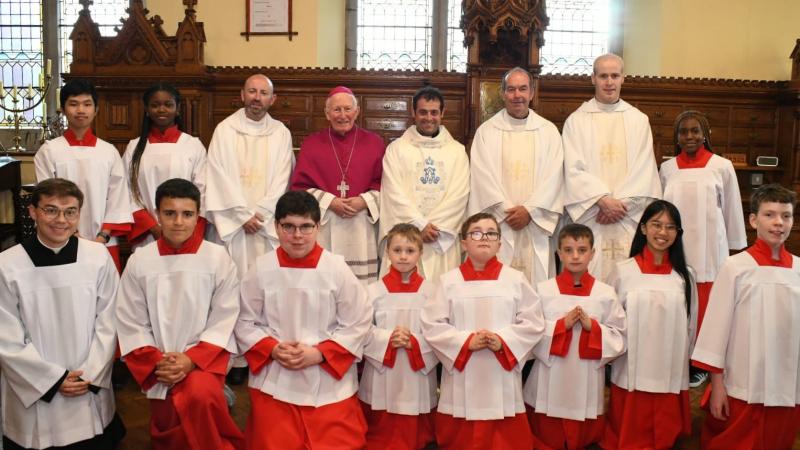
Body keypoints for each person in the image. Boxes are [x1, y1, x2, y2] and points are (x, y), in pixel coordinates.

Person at [235, 190, 372, 449]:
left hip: (328, 378)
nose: (297, 236)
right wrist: (273, 349)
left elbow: (358, 321)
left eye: (306, 227)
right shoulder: (262, 268)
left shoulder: (336, 268)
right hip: (275, 377)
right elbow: (244, 321)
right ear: (276, 227)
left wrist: (320, 354)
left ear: (318, 227)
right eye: (288, 226)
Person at [116, 179, 245, 450]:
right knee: (169, 424)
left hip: (202, 361)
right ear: (157, 214)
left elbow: (225, 316)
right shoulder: (141, 260)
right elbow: (131, 318)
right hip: (158, 364)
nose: (178, 222)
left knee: (200, 398)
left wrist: (191, 360)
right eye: (169, 213)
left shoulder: (217, 258)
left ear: (198, 215)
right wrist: (156, 360)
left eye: (187, 214)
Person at [0, 178, 124, 450]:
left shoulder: (97, 257)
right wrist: (52, 379)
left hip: (87, 383)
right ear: (33, 211)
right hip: (35, 392)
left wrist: (88, 374)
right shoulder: (7, 265)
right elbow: (5, 336)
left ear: (80, 213)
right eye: (51, 210)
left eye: (70, 211)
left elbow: (110, 319)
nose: (61, 220)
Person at [421, 212, 545, 450]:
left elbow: (534, 322)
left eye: (491, 233)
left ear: (499, 243)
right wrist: (466, 341)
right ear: (464, 242)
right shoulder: (448, 281)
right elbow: (432, 324)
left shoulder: (515, 279)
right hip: (463, 372)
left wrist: (503, 341)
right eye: (476, 232)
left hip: (501, 371)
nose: (484, 237)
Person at [691, 184, 800, 450]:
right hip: (743, 381)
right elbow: (716, 331)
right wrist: (717, 386)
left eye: (786, 216)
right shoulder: (736, 267)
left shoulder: (799, 268)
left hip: (787, 382)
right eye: (769, 215)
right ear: (753, 220)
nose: (778, 223)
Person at [659, 110, 746, 388]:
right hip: (676, 248)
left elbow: (732, 208)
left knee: (708, 306)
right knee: (680, 303)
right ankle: (679, 357)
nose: (689, 136)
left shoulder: (721, 166)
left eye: (695, 131)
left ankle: (701, 362)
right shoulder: (667, 168)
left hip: (710, 248)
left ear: (705, 134)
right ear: (677, 137)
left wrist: (736, 249)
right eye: (683, 132)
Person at [602, 200, 697, 450]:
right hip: (632, 363)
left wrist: (685, 358)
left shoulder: (684, 276)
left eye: (670, 227)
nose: (663, 233)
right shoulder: (623, 272)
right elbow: (610, 320)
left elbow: (692, 323)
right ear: (643, 228)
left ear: (678, 233)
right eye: (656, 224)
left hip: (670, 363)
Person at [524, 224, 626, 450]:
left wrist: (594, 328)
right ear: (559, 253)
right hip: (549, 375)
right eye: (568, 250)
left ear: (593, 253)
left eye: (582, 250)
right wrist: (561, 326)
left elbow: (620, 336)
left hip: (586, 375)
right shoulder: (543, 290)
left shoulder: (605, 293)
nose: (575, 256)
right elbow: (529, 331)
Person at [562, 54, 661, 281]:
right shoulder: (576, 121)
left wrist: (620, 205)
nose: (609, 82)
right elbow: (572, 169)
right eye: (603, 76)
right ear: (593, 79)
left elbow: (644, 168)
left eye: (614, 76)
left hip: (627, 218)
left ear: (623, 78)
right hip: (592, 216)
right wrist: (602, 201)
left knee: (627, 284)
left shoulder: (638, 120)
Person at [468, 67, 564, 285]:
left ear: (532, 92)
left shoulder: (548, 132)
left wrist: (529, 211)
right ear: (502, 94)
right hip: (500, 225)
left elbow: (554, 177)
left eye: (523, 89)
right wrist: (508, 212)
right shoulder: (487, 132)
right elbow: (482, 177)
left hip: (535, 225)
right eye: (511, 89)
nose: (517, 95)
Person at [34, 79, 133, 272]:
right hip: (61, 236)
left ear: (96, 110)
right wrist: (72, 233)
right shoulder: (49, 151)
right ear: (63, 109)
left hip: (103, 241)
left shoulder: (108, 151)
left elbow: (117, 197)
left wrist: (103, 236)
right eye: (73, 104)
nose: (81, 110)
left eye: (87, 104)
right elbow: (47, 197)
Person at [290, 86, 385, 284]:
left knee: (360, 290)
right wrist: (330, 201)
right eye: (336, 110)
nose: (343, 115)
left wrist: (364, 201)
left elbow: (386, 185)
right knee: (326, 285)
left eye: (347, 109)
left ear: (357, 111)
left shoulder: (375, 143)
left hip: (361, 227)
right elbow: (299, 187)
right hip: (326, 226)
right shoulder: (312, 144)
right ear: (327, 114)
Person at [205, 73, 295, 279]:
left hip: (265, 224)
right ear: (242, 95)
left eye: (264, 93)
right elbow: (217, 175)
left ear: (272, 100)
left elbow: (283, 178)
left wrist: (260, 215)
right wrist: (242, 216)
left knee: (266, 282)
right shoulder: (225, 130)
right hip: (232, 223)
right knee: (229, 281)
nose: (257, 97)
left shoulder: (281, 133)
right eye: (252, 91)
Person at [379, 86, 470, 284]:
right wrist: (419, 226)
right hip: (406, 239)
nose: (429, 118)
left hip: (441, 238)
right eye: (423, 112)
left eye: (434, 112)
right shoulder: (396, 150)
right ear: (413, 113)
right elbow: (393, 193)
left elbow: (459, 195)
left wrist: (433, 228)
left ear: (442, 113)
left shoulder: (456, 151)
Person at [359, 224, 438, 450]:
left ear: (420, 253)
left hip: (417, 366)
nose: (403, 256)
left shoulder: (432, 292)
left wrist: (414, 341)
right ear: (387, 252)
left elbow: (439, 330)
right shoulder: (372, 291)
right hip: (383, 366)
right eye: (397, 250)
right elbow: (360, 328)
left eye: (410, 250)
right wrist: (387, 338)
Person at [124, 83, 208, 251]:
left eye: (168, 105)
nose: (161, 110)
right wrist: (153, 227)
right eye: (155, 105)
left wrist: (184, 226)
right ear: (147, 110)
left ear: (177, 109)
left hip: (185, 231)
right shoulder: (134, 148)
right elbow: (127, 192)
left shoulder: (192, 145)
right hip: (149, 235)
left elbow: (202, 190)